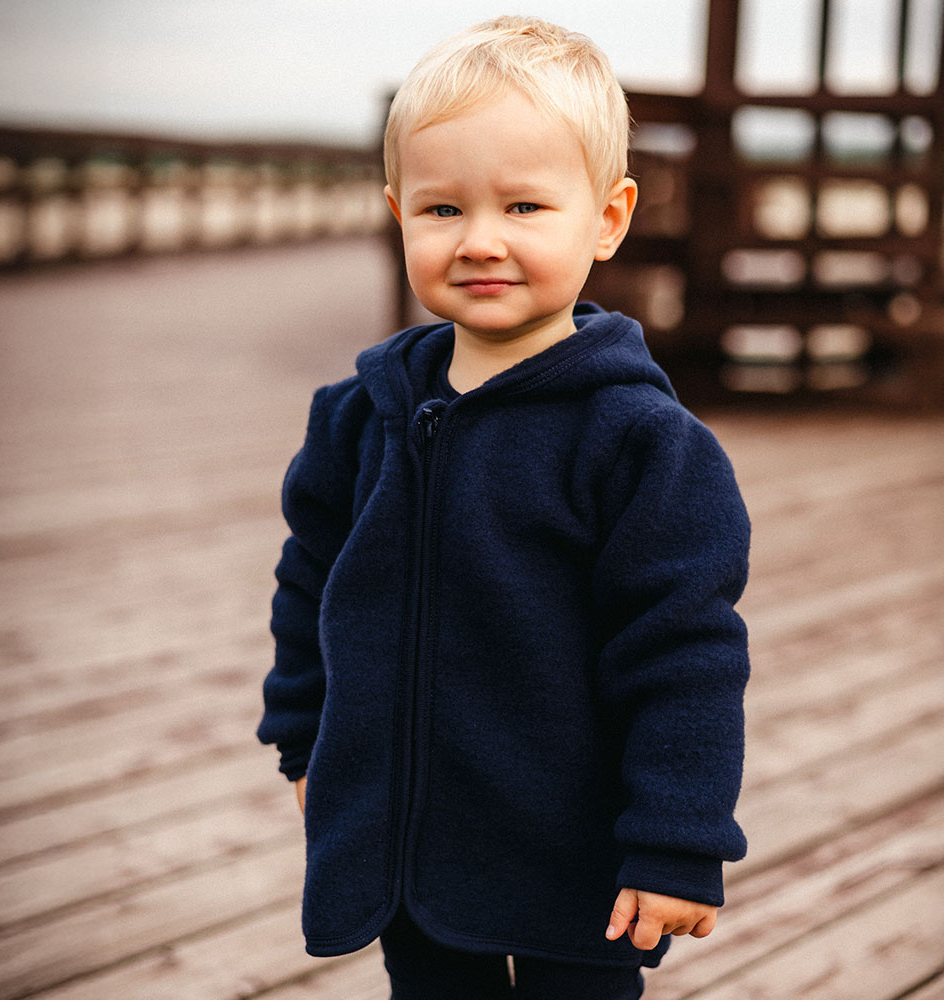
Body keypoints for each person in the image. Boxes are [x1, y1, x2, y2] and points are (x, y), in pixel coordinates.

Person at [258, 15, 750, 1000]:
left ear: (606, 218)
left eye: (525, 205)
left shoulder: (642, 444)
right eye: (441, 209)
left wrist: (676, 838)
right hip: (409, 840)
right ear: (397, 214)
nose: (481, 240)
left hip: (579, 845)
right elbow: (309, 587)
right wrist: (304, 740)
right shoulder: (356, 419)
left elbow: (685, 650)